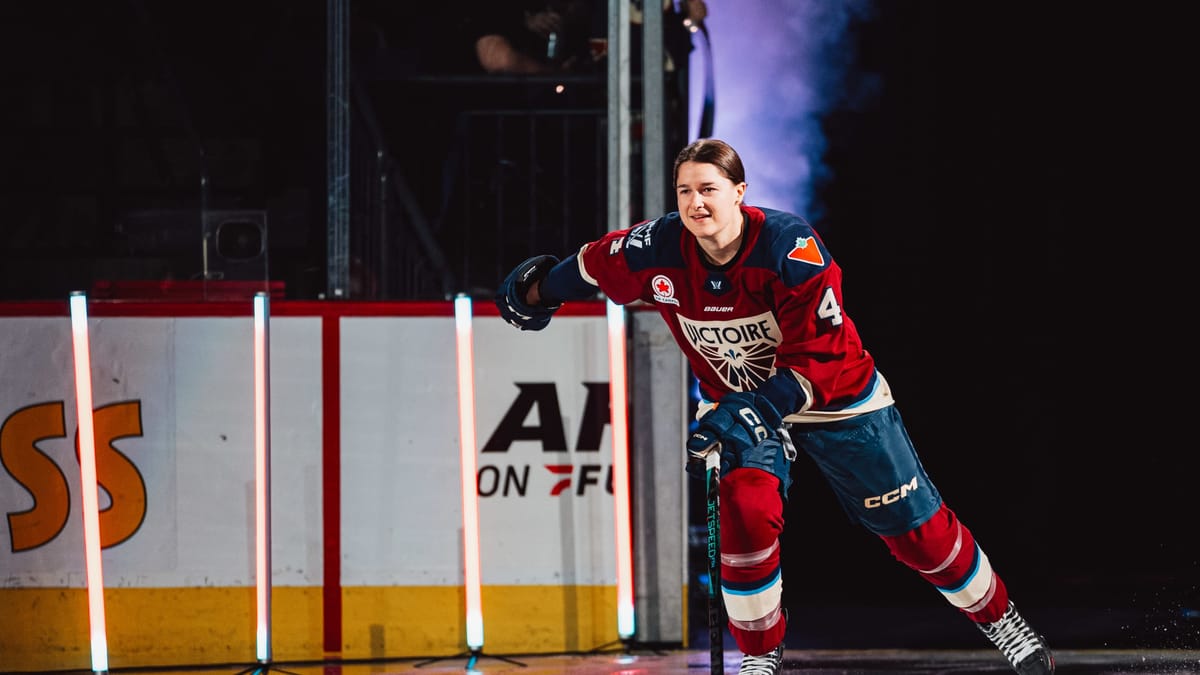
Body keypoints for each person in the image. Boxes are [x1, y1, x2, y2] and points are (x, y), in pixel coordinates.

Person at [495, 138, 1055, 675]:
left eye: (709, 189)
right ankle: (760, 653)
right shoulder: (656, 248)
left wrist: (754, 409)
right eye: (685, 191)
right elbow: (592, 265)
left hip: (835, 398)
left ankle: (1001, 620)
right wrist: (536, 292)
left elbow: (819, 359)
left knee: (915, 531)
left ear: (740, 192)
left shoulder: (790, 248)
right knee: (744, 517)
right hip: (738, 404)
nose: (696, 203)